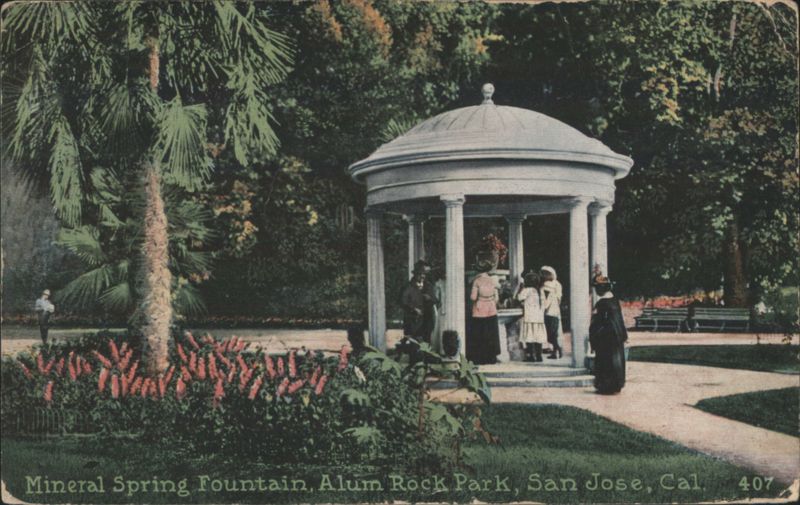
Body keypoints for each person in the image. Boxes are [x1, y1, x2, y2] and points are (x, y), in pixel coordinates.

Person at [589, 274, 628, 394]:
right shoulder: (614, 301)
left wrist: (594, 338)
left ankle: (606, 386)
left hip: (605, 338)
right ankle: (616, 384)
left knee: (605, 361)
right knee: (616, 361)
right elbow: (619, 321)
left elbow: (596, 323)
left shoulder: (602, 304)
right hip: (616, 337)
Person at [467, 262, 501, 364]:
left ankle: (479, 358)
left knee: (479, 334)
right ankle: (491, 358)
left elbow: (473, 297)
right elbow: (497, 298)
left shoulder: (476, 281)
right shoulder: (493, 280)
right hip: (491, 308)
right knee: (491, 334)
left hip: (479, 309)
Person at [517, 272, 548, 362]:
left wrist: (520, 288)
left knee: (529, 337)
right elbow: (544, 304)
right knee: (538, 338)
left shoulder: (527, 290)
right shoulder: (540, 290)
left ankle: (531, 356)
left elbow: (519, 298)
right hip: (539, 318)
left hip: (530, 317)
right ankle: (539, 356)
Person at [401, 264, 436, 343]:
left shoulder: (429, 286)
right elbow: (402, 302)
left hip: (427, 322)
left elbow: (436, 301)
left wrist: (429, 298)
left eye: (424, 274)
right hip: (412, 322)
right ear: (415, 274)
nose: (422, 276)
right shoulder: (408, 287)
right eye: (420, 274)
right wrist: (413, 309)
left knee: (426, 345)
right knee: (413, 346)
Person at [540, 266, 563, 359]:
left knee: (551, 334)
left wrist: (543, 308)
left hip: (550, 313)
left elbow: (546, 302)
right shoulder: (556, 285)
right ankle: (556, 351)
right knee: (553, 334)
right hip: (555, 312)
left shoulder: (548, 287)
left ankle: (557, 350)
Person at [430, 267, 446, 354]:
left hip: (446, 308)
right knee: (440, 328)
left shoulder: (448, 283)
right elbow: (436, 298)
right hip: (442, 309)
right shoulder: (439, 284)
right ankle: (441, 349)